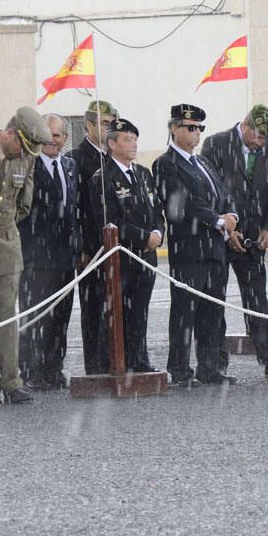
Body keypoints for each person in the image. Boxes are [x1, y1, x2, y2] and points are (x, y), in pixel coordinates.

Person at [201, 105, 268, 377]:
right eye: (257, 137)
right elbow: (210, 190)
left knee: (257, 300)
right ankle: (214, 364)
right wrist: (227, 229)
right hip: (221, 237)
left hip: (254, 239)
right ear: (245, 125)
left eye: (265, 140)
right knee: (215, 301)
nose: (260, 144)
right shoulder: (216, 144)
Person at [153, 104, 238, 387]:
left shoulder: (203, 163)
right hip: (189, 248)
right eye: (190, 128)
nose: (197, 133)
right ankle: (179, 370)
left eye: (200, 128)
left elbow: (224, 193)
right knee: (184, 312)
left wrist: (231, 215)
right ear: (174, 128)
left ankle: (209, 366)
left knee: (213, 311)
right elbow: (183, 202)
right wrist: (216, 219)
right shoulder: (167, 164)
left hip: (214, 248)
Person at [0, 107, 48, 405]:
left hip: (8, 249)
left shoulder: (26, 160)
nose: (24, 153)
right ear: (9, 134)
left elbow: (23, 204)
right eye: (22, 145)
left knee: (8, 316)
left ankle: (12, 381)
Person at [90, 118, 165, 373]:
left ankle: (138, 360)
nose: (133, 144)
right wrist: (143, 237)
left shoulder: (143, 174)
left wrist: (157, 232)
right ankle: (113, 363)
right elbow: (110, 221)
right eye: (126, 139)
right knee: (116, 313)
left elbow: (157, 210)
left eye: (134, 139)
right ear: (111, 144)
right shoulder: (103, 178)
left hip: (146, 257)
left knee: (140, 312)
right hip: (121, 258)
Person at [18, 113, 79, 390]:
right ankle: (31, 371)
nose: (54, 140)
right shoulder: (27, 166)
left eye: (59, 135)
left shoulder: (70, 166)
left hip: (66, 257)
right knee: (36, 317)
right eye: (49, 134)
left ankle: (54, 368)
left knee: (61, 316)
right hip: (36, 257)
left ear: (66, 139)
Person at [66, 99, 117, 375]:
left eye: (111, 123)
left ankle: (116, 361)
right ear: (88, 126)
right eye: (104, 123)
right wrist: (83, 247)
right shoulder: (77, 158)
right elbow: (76, 208)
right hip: (92, 248)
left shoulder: (113, 156)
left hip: (115, 246)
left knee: (116, 308)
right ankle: (95, 366)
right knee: (94, 309)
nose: (108, 128)